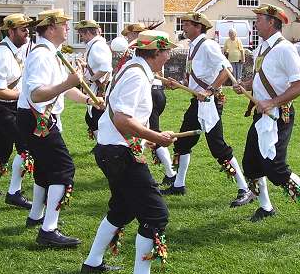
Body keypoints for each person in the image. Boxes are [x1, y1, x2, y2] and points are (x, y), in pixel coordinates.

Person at [82, 30, 178, 274]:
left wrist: (146, 138)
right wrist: (155, 136)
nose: (169, 56)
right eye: (166, 51)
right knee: (156, 215)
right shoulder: (136, 75)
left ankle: (92, 262)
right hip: (119, 153)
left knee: (122, 209)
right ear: (156, 53)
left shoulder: (132, 69)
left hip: (113, 149)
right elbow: (122, 119)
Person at [232, 3, 300, 232]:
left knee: (275, 167)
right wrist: (245, 85)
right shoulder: (263, 48)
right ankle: (266, 207)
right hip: (260, 114)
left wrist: (272, 102)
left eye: (259, 19)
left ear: (272, 22)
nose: (256, 23)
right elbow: (264, 79)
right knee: (251, 164)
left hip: (278, 116)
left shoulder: (285, 49)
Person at [17, 9, 103, 247]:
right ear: (51, 27)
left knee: (45, 169)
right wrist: (68, 82)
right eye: (64, 24)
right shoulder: (42, 55)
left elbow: (64, 89)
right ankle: (49, 230)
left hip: (36, 118)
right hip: (37, 118)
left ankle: (36, 216)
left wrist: (89, 100)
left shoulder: (52, 53)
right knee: (64, 169)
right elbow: (36, 94)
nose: (68, 28)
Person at [162, 11, 254, 209]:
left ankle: (244, 188)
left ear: (198, 27)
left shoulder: (208, 45)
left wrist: (210, 89)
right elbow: (195, 77)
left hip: (210, 102)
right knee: (183, 142)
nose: (184, 27)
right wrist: (178, 84)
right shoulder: (193, 46)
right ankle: (178, 185)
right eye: (184, 24)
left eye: (187, 24)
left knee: (217, 147)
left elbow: (226, 68)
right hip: (197, 102)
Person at [0, 13, 33, 209]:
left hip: (6, 106)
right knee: (26, 145)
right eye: (23, 29)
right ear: (10, 32)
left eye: (28, 28)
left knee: (3, 148)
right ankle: (14, 193)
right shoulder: (2, 54)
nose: (27, 32)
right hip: (0, 107)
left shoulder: (16, 51)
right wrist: (26, 96)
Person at [122, 23, 177, 185]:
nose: (129, 37)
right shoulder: (139, 58)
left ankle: (170, 172)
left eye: (131, 34)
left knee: (153, 132)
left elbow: (121, 118)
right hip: (156, 92)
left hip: (152, 93)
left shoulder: (138, 58)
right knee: (151, 132)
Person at [75, 20, 112, 142]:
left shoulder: (97, 46)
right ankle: (102, 144)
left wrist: (90, 79)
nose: (81, 38)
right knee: (91, 118)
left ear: (87, 33)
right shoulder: (97, 45)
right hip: (99, 87)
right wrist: (86, 65)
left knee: (95, 119)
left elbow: (105, 68)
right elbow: (99, 66)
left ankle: (104, 145)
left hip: (100, 88)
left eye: (82, 35)